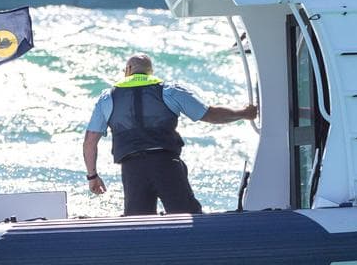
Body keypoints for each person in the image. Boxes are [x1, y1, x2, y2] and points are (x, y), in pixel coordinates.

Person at [83, 54, 258, 216]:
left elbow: (90, 142)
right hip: (166, 165)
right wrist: (243, 113)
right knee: (188, 217)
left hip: (132, 169)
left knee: (138, 225)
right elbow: (210, 114)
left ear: (128, 70)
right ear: (150, 72)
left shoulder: (108, 98)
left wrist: (93, 176)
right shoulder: (169, 90)